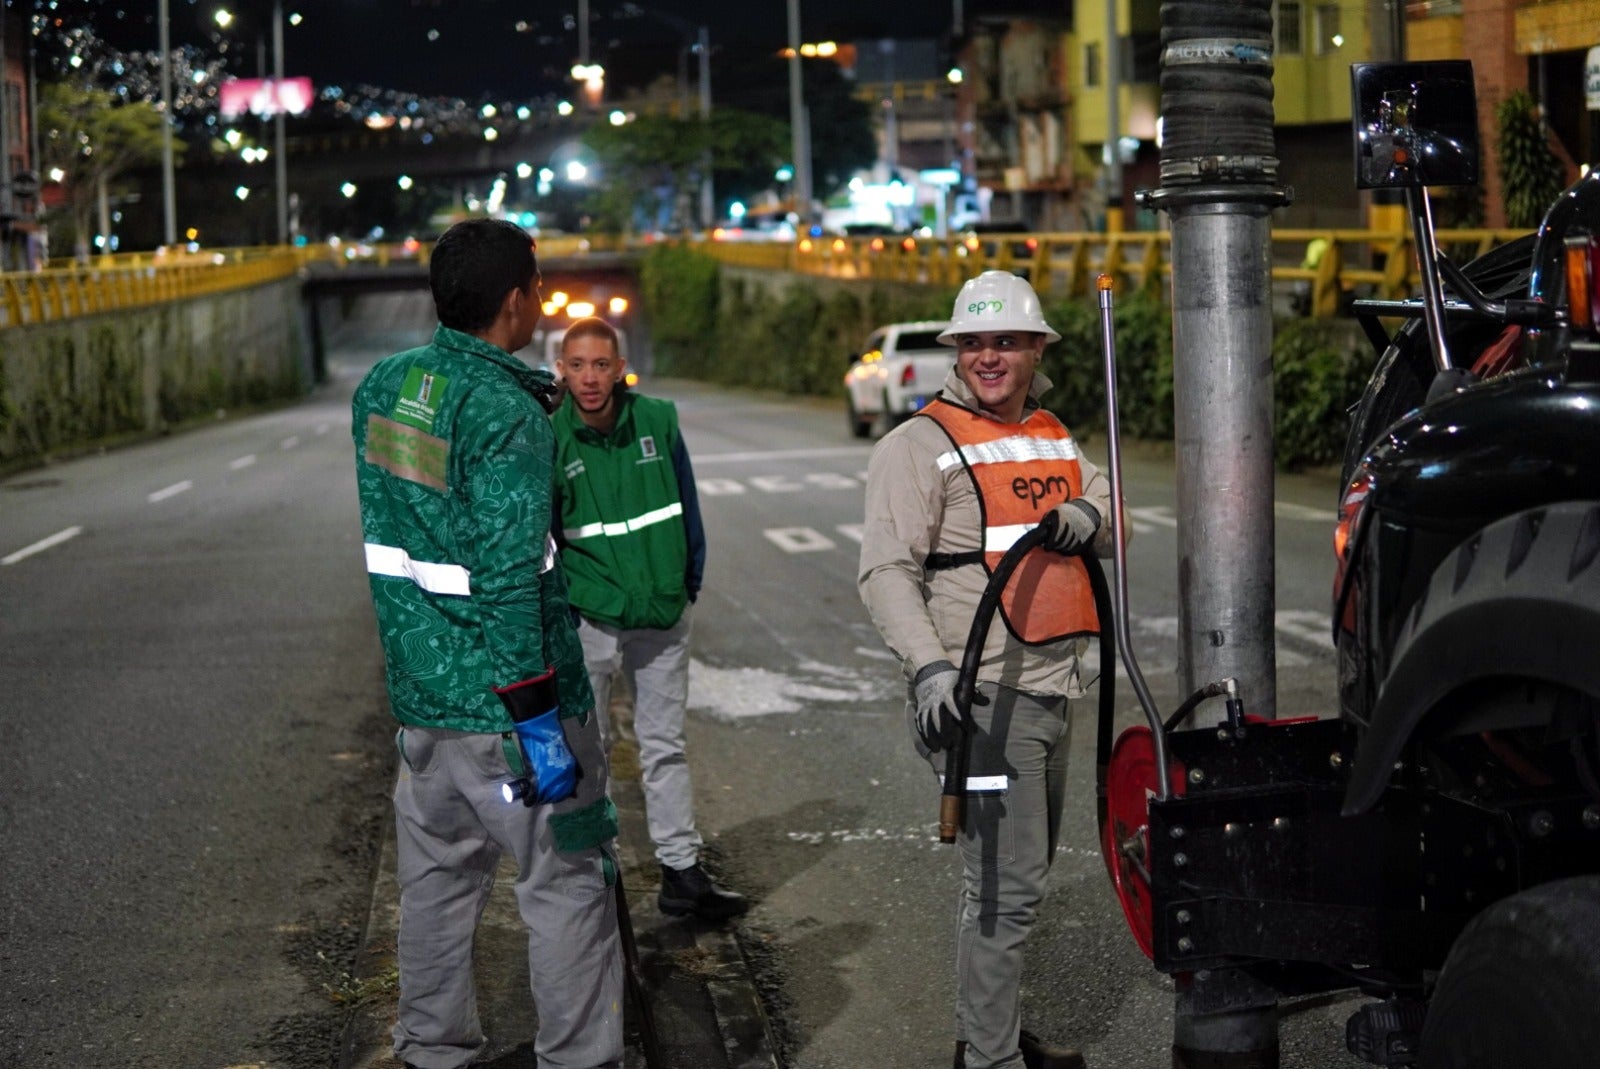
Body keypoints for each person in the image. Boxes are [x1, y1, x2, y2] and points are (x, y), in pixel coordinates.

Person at [351, 219, 621, 1069]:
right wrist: (538, 718)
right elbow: (506, 576)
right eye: (535, 289)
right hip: (511, 711)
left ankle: (431, 1049)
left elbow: (420, 523)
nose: (538, 302)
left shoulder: (385, 388)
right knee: (566, 884)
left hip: (426, 706)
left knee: (434, 883)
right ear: (514, 302)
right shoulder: (505, 412)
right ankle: (580, 1058)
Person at [858, 270, 1113, 1069]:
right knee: (1005, 886)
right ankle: (990, 1058)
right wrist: (930, 670)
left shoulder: (1050, 433)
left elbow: (1111, 511)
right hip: (980, 698)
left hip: (1054, 688)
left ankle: (989, 1032)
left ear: (1038, 348)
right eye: (973, 343)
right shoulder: (917, 445)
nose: (989, 356)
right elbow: (885, 571)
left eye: (1006, 341)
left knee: (1017, 877)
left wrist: (1092, 511)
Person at [550, 316, 748, 923]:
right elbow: (547, 533)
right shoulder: (551, 436)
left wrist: (689, 583)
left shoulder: (657, 421)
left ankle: (681, 871)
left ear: (620, 368)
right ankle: (592, 875)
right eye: (577, 366)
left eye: (600, 365)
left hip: (662, 611)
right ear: (561, 370)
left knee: (664, 746)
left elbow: (687, 503)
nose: (589, 378)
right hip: (592, 616)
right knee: (590, 750)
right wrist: (566, 607)